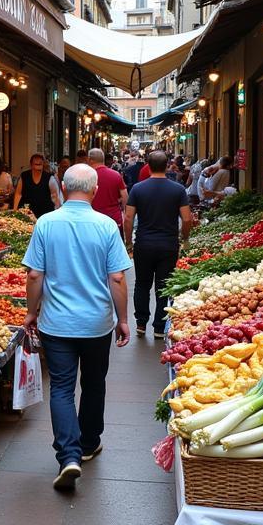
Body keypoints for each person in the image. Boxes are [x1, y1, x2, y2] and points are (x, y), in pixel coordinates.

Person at [22, 163, 132, 490]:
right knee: (95, 382)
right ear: (95, 190)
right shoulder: (106, 226)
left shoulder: (45, 223)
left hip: (56, 324)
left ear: (65, 189)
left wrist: (31, 312)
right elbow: (117, 277)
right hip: (97, 324)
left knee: (61, 388)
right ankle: (88, 444)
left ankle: (68, 456)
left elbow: (34, 275)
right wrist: (123, 319)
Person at [123, 150, 193, 340]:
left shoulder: (137, 189)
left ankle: (140, 323)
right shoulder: (178, 189)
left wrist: (128, 241)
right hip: (168, 244)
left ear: (148, 165)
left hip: (144, 243)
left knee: (142, 284)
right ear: (167, 165)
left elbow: (128, 218)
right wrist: (184, 238)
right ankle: (160, 327)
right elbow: (187, 219)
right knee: (163, 285)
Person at [87, 147, 128, 230]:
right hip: (114, 219)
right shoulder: (116, 175)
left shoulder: (86, 176)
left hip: (93, 220)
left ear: (90, 160)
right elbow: (125, 197)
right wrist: (124, 214)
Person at [13, 152, 62, 216]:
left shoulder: (50, 178)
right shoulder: (24, 176)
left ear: (43, 164)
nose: (38, 166)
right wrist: (15, 210)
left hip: (45, 213)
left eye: (40, 164)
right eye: (36, 164)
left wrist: (57, 213)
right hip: (27, 213)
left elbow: (55, 197)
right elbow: (18, 194)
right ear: (31, 165)